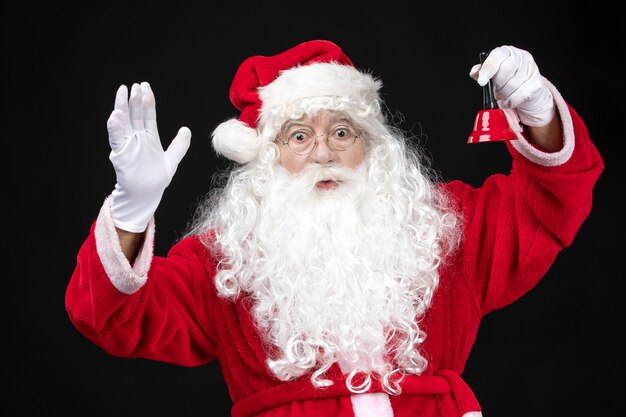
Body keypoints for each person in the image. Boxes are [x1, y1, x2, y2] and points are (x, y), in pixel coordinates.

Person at [65, 40, 604, 417]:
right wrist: (132, 210)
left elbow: (548, 206)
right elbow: (110, 317)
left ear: (370, 145)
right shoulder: (226, 259)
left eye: (341, 131)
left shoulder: (440, 229)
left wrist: (537, 113)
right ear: (268, 156)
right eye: (298, 136)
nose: (323, 151)